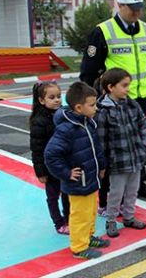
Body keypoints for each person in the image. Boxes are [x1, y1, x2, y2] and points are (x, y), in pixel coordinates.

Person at [80, 0, 146, 198]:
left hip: (139, 99)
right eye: (133, 9)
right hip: (113, 102)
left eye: (139, 9)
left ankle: (140, 184)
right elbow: (89, 70)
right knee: (112, 145)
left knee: (139, 142)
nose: (137, 13)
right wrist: (90, 100)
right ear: (120, 6)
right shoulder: (103, 32)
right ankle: (108, 189)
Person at [45, 82, 110, 259]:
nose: (96, 108)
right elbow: (51, 155)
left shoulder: (87, 123)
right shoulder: (67, 129)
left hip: (91, 179)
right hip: (78, 183)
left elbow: (96, 148)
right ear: (79, 107)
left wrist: (102, 165)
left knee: (90, 212)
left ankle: (88, 237)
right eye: (92, 105)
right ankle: (79, 247)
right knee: (80, 215)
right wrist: (66, 173)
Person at [94, 68, 146, 238]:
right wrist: (103, 163)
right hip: (117, 162)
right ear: (111, 87)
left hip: (135, 158)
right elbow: (101, 141)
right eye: (124, 86)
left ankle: (129, 217)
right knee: (116, 193)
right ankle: (111, 220)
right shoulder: (103, 111)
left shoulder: (132, 105)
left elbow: (143, 126)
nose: (127, 89)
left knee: (133, 190)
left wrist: (143, 147)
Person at [29, 81, 69, 235]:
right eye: (52, 97)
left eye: (59, 96)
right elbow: (37, 149)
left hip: (64, 165)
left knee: (66, 194)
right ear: (41, 100)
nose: (57, 100)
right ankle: (59, 223)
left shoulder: (64, 114)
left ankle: (68, 219)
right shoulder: (39, 122)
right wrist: (40, 171)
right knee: (53, 196)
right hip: (49, 167)